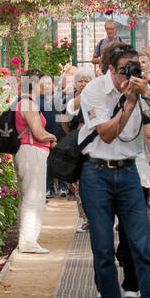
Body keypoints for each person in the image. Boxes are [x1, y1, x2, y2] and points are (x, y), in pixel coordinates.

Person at [77, 45, 150, 298]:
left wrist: (148, 94)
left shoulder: (143, 91)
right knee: (103, 249)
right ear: (111, 69)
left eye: (136, 69)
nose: (130, 75)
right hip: (96, 174)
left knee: (141, 247)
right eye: (125, 70)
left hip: (130, 173)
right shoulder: (93, 91)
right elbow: (106, 134)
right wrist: (129, 101)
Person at [14, 68, 58, 253]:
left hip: (25, 152)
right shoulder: (29, 104)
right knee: (34, 199)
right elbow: (38, 133)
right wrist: (53, 138)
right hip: (32, 152)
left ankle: (26, 240)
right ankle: (28, 242)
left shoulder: (21, 102)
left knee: (27, 197)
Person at [64, 68, 93, 230]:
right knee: (78, 184)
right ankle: (84, 218)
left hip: (92, 147)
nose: (83, 84)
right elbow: (65, 119)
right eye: (80, 81)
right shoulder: (71, 100)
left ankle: (93, 217)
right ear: (75, 83)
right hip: (76, 146)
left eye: (86, 81)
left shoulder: (96, 98)